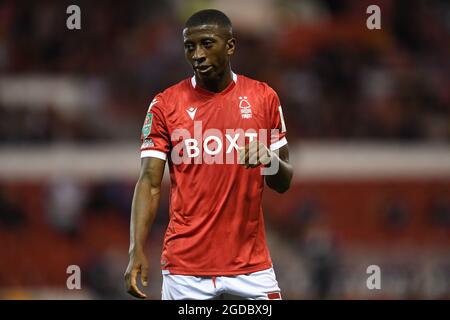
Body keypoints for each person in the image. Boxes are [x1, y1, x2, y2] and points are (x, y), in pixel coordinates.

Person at [124, 9, 293, 300]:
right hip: (184, 271)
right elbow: (149, 182)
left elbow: (283, 181)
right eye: (190, 47)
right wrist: (135, 248)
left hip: (251, 269)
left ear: (230, 46)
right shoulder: (165, 105)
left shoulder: (263, 98)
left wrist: (269, 158)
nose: (197, 54)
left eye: (207, 44)